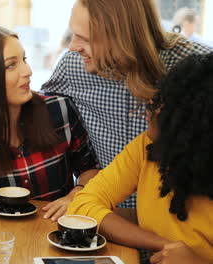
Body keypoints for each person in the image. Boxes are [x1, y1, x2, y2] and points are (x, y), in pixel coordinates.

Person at [0, 0, 212, 210]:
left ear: (120, 35)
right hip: (102, 220)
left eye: (83, 38)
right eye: (73, 34)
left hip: (180, 222)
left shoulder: (194, 67)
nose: (72, 47)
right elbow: (26, 103)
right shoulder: (74, 66)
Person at [67, 53, 213, 264]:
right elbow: (83, 204)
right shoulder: (147, 147)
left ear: (197, 121)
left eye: (168, 102)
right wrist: (162, 244)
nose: (150, 104)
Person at [0, 26, 100, 221]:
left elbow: (90, 168)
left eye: (24, 60)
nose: (28, 71)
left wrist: (74, 196)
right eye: (11, 65)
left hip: (54, 233)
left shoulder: (59, 109)